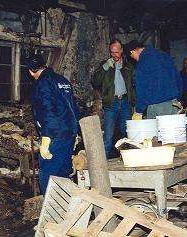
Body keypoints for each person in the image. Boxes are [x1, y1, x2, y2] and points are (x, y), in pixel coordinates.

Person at [27, 54, 80, 194]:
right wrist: (75, 130)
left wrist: (46, 137)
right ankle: (65, 208)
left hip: (55, 135)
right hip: (69, 132)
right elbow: (73, 107)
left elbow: (47, 110)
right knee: (63, 173)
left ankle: (51, 212)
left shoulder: (42, 83)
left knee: (48, 174)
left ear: (31, 71)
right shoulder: (62, 80)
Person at [92, 39, 135, 158]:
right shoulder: (105, 65)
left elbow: (134, 85)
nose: (114, 55)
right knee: (108, 135)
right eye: (112, 52)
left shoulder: (128, 66)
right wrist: (105, 68)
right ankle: (103, 165)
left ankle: (128, 159)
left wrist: (135, 104)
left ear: (121, 50)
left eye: (116, 52)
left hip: (125, 102)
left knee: (126, 133)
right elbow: (95, 81)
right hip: (111, 103)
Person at [126, 40, 182, 119]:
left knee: (157, 131)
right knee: (175, 130)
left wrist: (139, 111)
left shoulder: (142, 63)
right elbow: (178, 78)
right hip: (173, 104)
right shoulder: (164, 55)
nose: (135, 59)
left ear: (133, 52)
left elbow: (141, 88)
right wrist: (178, 98)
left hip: (157, 107)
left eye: (132, 57)